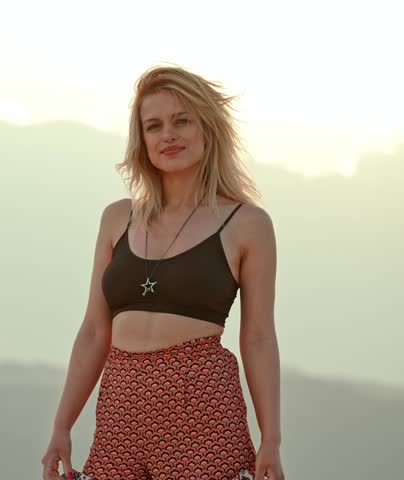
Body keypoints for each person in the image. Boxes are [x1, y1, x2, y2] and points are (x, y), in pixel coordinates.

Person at [41, 65, 284, 480]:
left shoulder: (248, 224)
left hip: (203, 419)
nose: (167, 135)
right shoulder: (117, 219)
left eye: (181, 121)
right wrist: (61, 427)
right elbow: (95, 331)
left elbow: (258, 337)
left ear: (207, 129)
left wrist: (271, 440)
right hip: (118, 417)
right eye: (154, 126)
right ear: (142, 141)